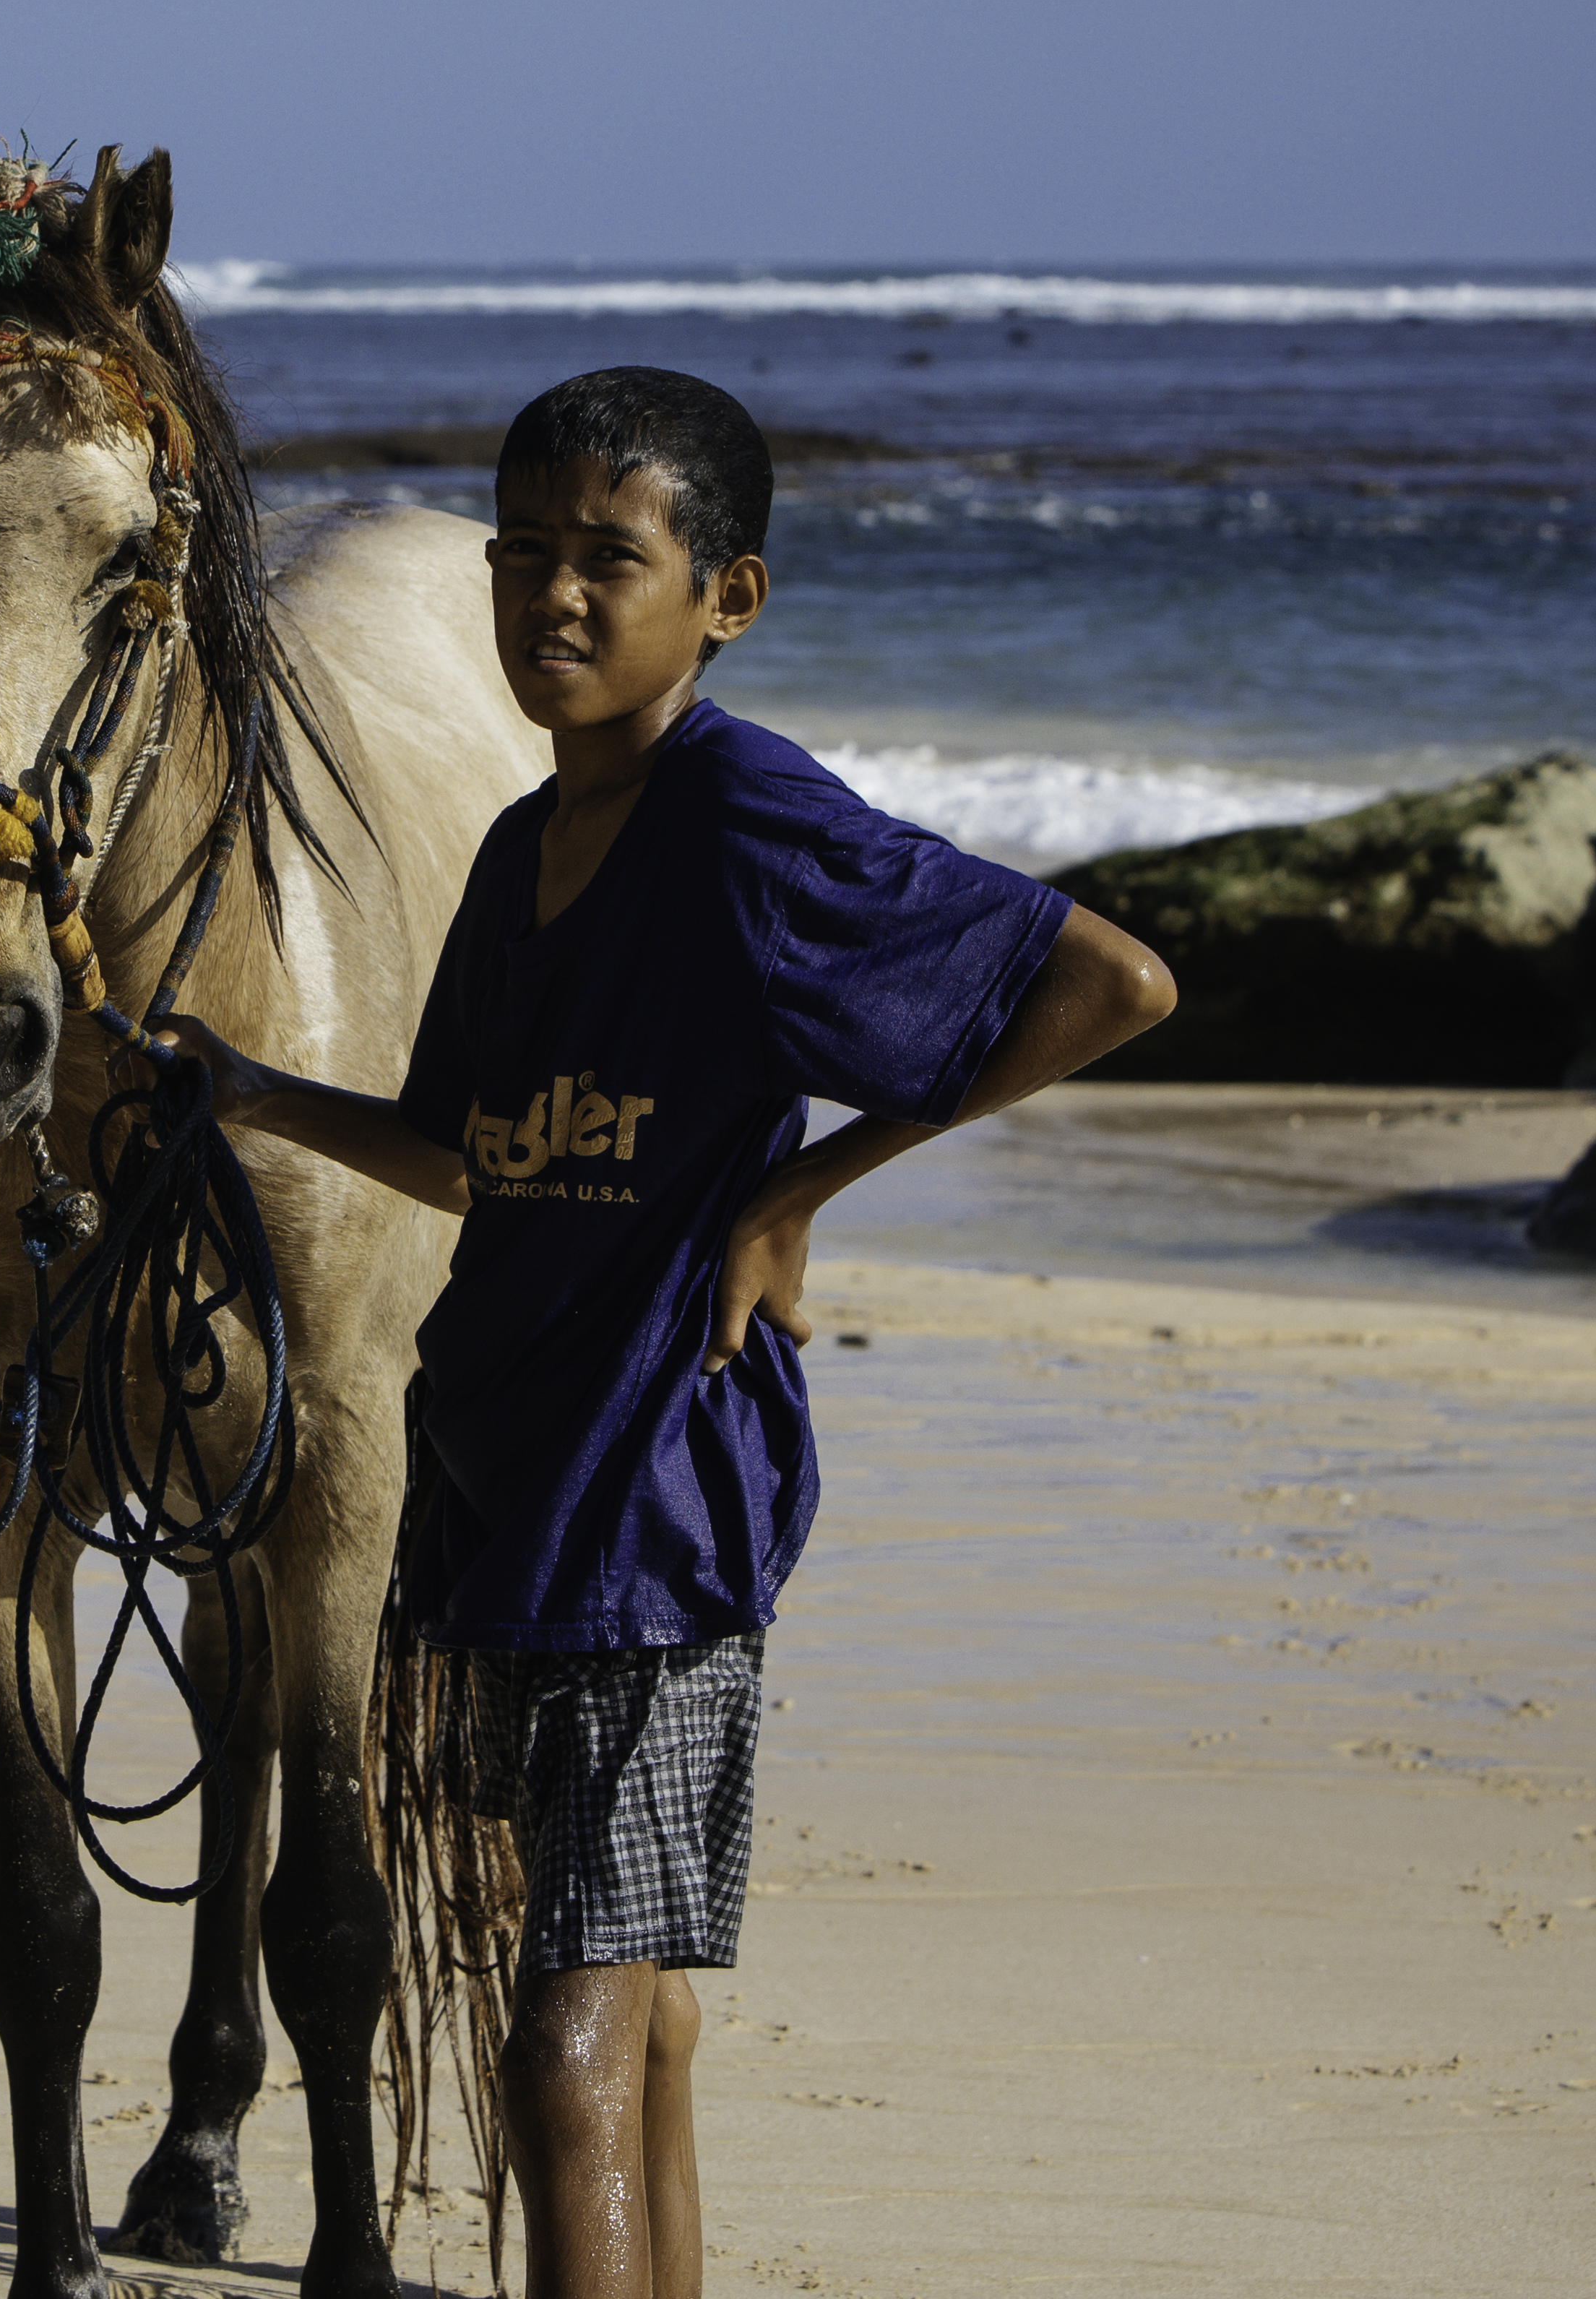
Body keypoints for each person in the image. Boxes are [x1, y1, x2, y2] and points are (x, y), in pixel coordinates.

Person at [161, 366, 1175, 2299]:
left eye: (606, 560)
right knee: (632, 2008)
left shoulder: (741, 815)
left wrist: (800, 1193)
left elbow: (1110, 981)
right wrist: (251, 1095)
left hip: (651, 1509)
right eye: (519, 551)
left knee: (562, 2040)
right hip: (503, 1492)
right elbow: (462, 1153)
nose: (550, 594)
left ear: (728, 597)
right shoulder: (519, 849)